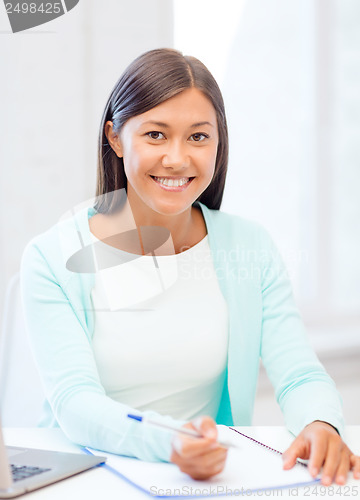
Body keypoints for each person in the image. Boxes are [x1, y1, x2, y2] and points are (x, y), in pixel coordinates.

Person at [20, 48, 360, 485]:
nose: (177, 159)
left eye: (198, 137)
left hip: (203, 482)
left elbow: (298, 374)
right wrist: (170, 443)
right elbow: (75, 402)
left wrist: (321, 424)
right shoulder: (52, 257)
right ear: (116, 137)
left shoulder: (249, 247)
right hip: (85, 480)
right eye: (156, 135)